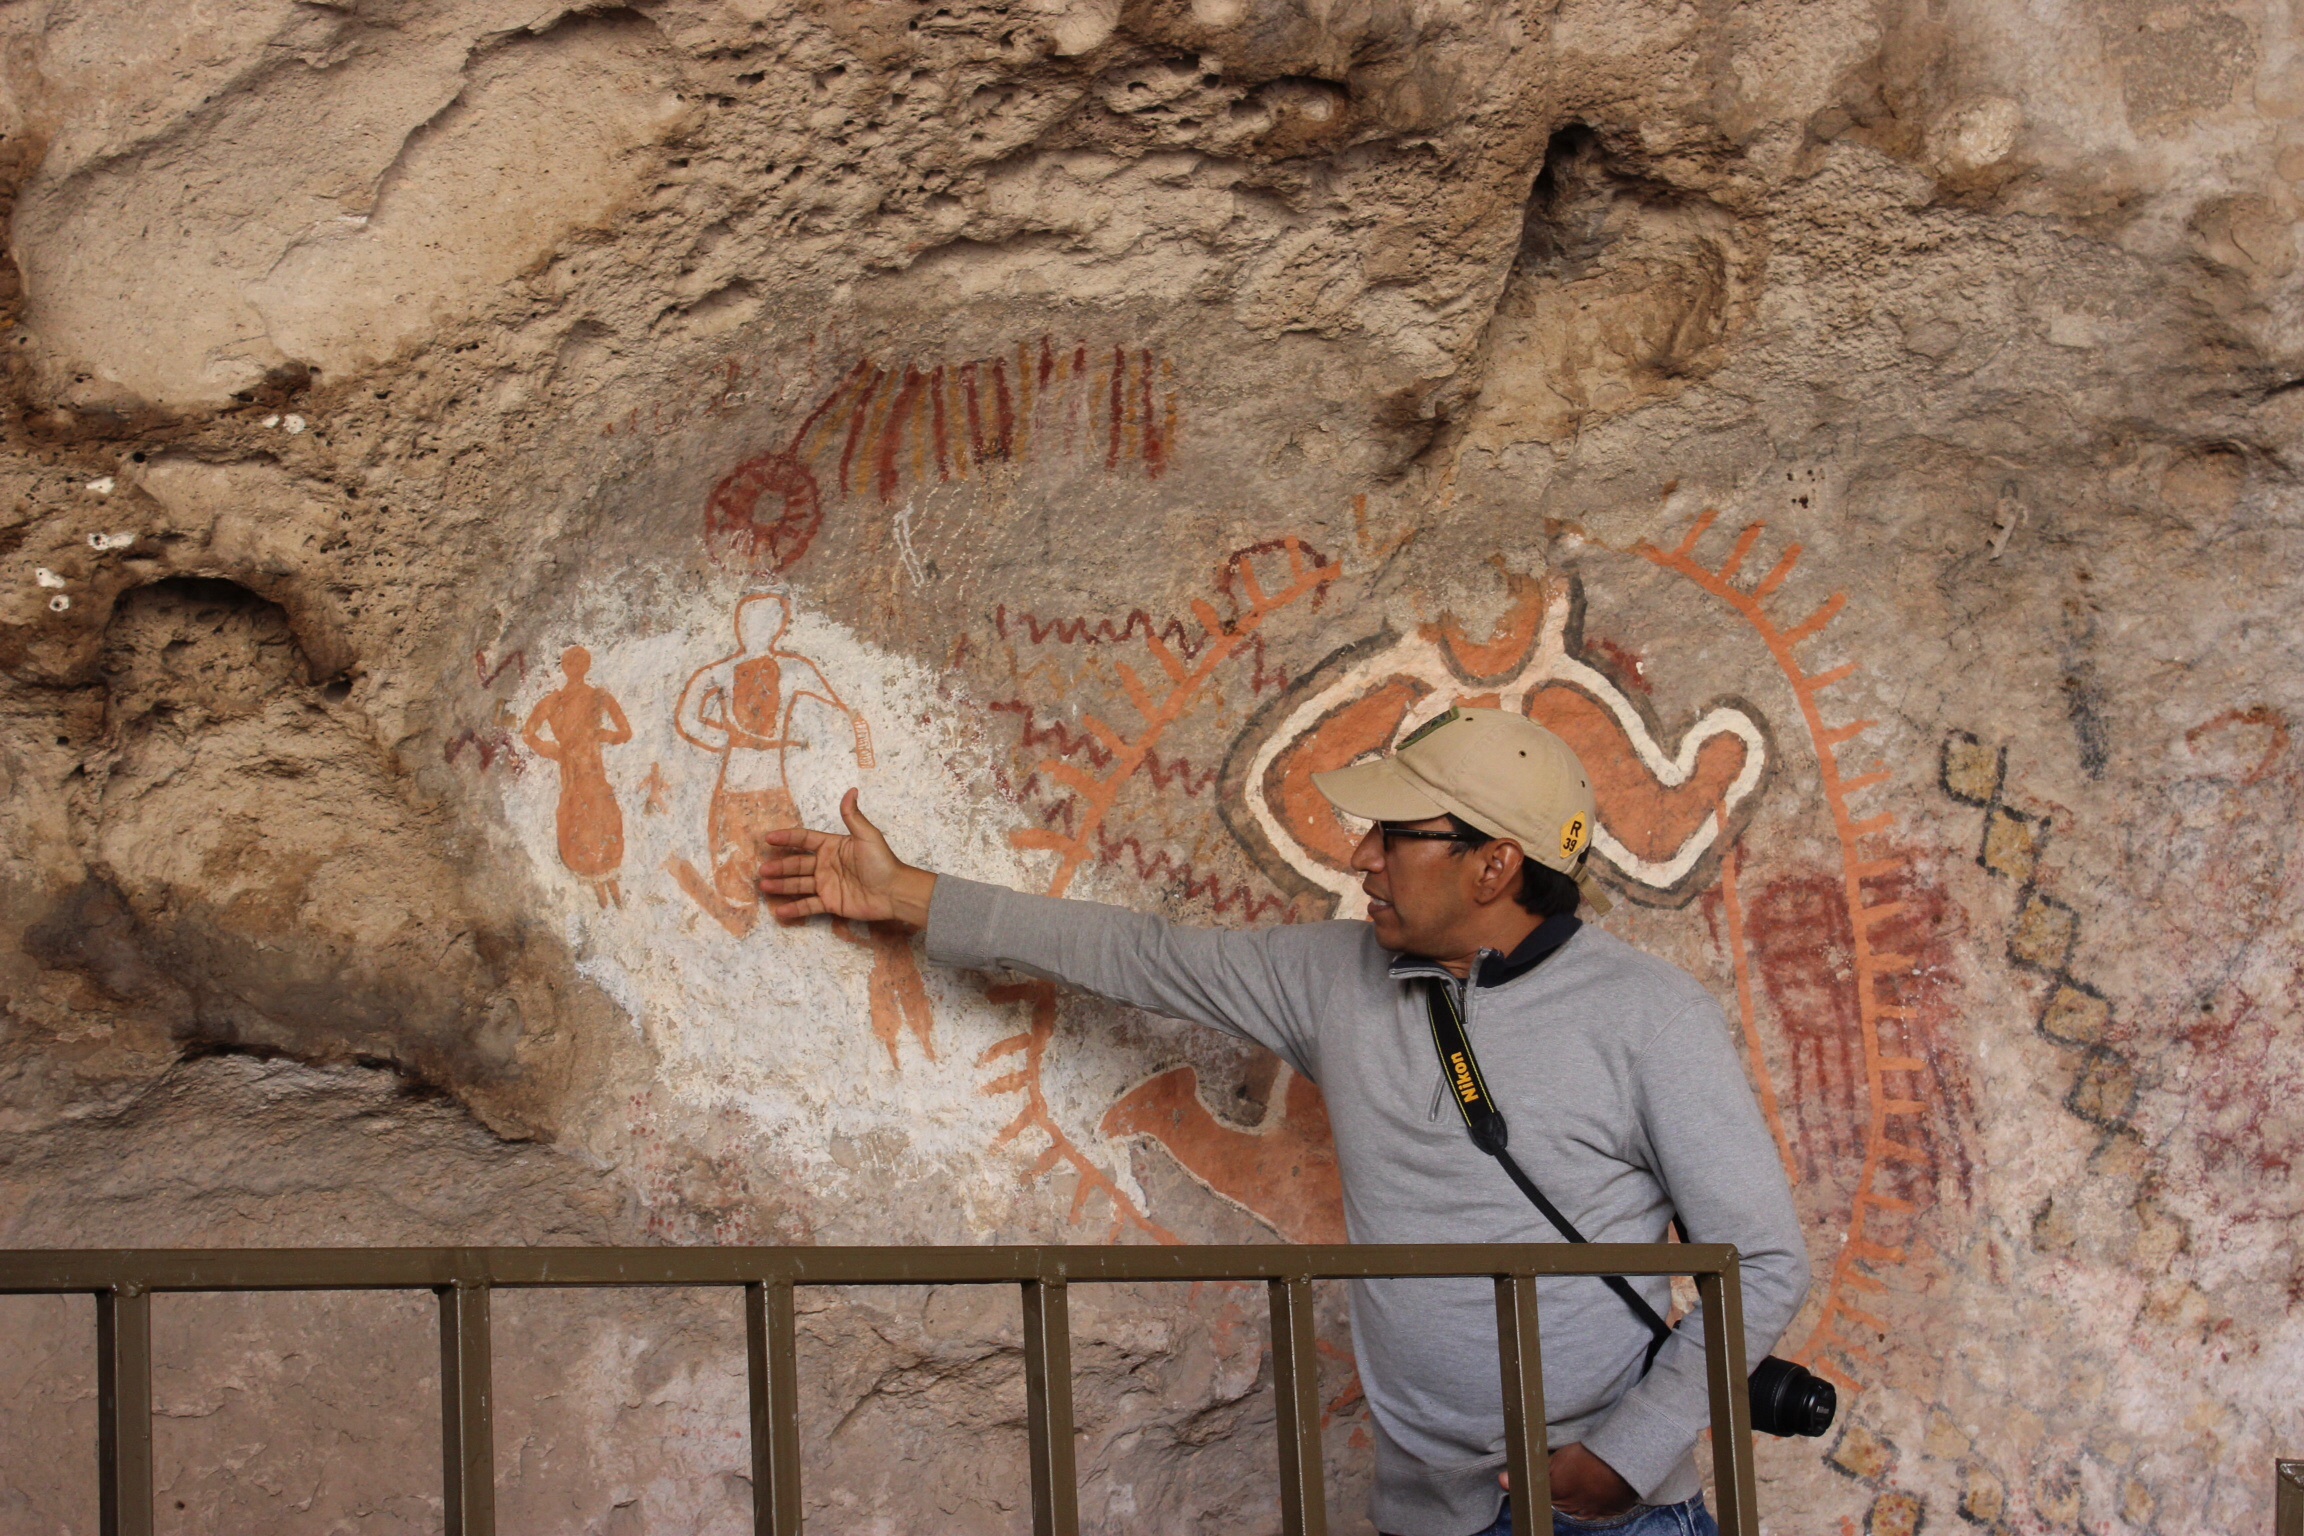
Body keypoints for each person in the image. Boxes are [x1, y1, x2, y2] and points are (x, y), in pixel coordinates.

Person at [759, 706, 1809, 1536]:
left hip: (1608, 1515)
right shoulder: (1332, 977)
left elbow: (1762, 1260)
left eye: (1398, 837)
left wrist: (1623, 1456)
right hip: (1428, 1514)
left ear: (1495, 865)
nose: (1363, 858)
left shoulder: (1648, 1018)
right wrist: (912, 897)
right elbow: (1141, 956)